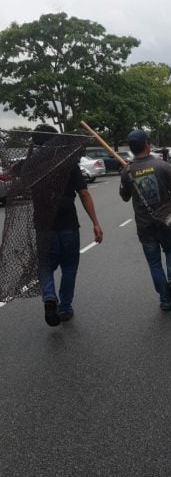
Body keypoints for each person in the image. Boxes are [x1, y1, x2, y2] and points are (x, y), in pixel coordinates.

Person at [32, 124, 103, 326]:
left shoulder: (31, 164)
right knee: (69, 267)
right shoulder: (68, 163)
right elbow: (84, 193)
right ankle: (64, 308)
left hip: (43, 226)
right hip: (68, 225)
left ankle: (49, 297)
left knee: (45, 266)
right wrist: (95, 223)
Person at [120, 129, 171, 311]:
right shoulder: (162, 165)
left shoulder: (127, 171)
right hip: (166, 221)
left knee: (154, 263)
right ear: (147, 144)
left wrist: (126, 177)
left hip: (144, 226)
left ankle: (165, 300)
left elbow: (124, 197)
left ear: (131, 148)